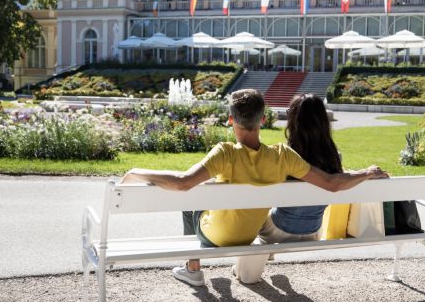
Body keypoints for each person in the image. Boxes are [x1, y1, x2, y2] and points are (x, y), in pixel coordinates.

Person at [120, 88, 388, 287]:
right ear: (262, 120)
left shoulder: (224, 152)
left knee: (195, 200)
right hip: (258, 232)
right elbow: (331, 183)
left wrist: (135, 172)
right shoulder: (283, 156)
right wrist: (366, 172)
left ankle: (193, 268)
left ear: (230, 119)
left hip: (224, 235)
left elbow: (181, 183)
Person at [235, 93, 353, 283]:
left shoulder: (285, 155)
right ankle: (266, 252)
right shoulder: (334, 156)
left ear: (294, 120)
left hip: (278, 231)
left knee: (254, 217)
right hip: (314, 231)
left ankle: (249, 265)